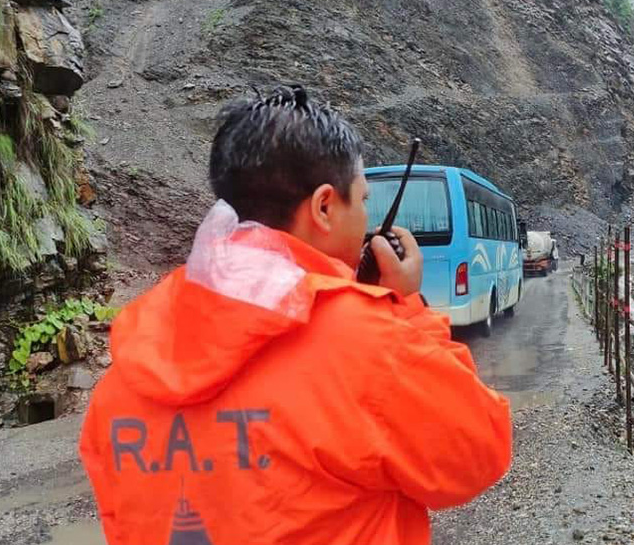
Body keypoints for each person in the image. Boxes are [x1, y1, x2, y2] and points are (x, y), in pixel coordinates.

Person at [79, 86, 512, 545]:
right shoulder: (366, 342)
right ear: (325, 207)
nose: (367, 218)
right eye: (363, 201)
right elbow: (478, 451)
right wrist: (407, 309)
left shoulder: (127, 370)